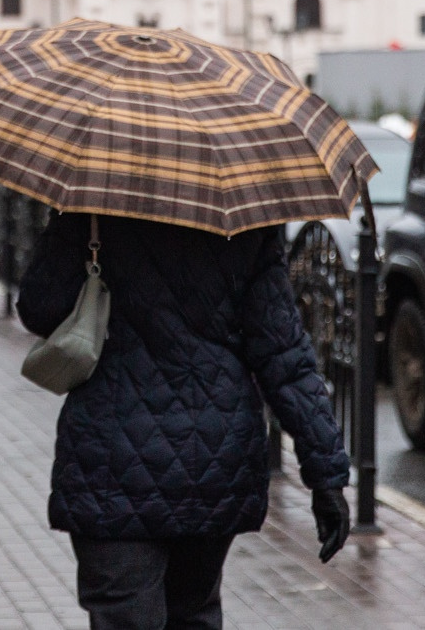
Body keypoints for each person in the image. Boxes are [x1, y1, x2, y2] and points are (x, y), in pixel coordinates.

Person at [19, 212, 351, 630]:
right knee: (194, 612)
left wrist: (65, 227)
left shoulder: (94, 212)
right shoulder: (241, 221)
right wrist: (326, 475)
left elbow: (39, 309)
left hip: (112, 462)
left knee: (124, 615)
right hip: (212, 461)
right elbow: (284, 354)